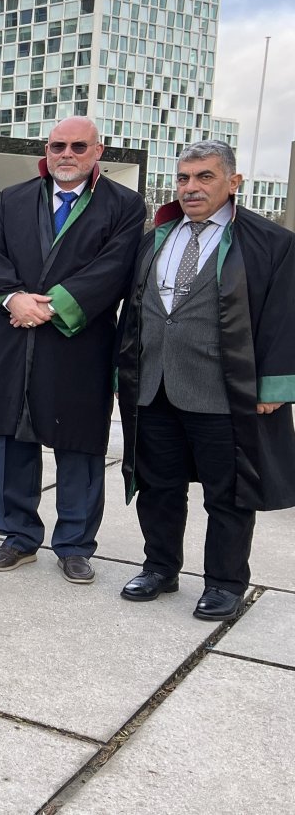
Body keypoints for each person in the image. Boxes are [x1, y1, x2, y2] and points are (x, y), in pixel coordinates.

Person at [116, 140, 295, 621]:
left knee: (228, 493)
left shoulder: (269, 242)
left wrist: (273, 387)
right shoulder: (156, 235)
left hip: (223, 391)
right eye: (184, 178)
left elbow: (283, 318)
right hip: (154, 384)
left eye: (205, 177)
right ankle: (160, 568)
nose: (191, 188)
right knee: (157, 484)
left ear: (233, 182)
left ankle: (225, 582)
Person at [0, 118, 143, 583]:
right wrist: (14, 298)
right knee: (14, 440)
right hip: (16, 336)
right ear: (46, 150)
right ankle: (18, 535)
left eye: (77, 146)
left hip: (80, 343)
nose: (66, 154)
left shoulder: (123, 205)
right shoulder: (12, 199)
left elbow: (114, 268)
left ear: (98, 150)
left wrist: (53, 307)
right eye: (57, 146)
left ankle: (74, 544)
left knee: (79, 447)